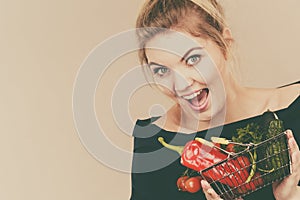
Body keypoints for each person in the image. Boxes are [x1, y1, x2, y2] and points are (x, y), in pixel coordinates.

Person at [130, 0, 300, 199]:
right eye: (161, 70)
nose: (181, 84)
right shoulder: (153, 140)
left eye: (193, 59)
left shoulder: (294, 110)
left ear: (225, 43)